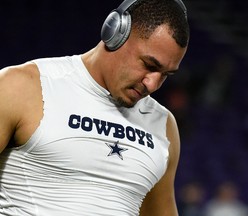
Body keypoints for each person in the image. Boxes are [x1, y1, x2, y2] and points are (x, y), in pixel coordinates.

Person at [0, 0, 190, 215]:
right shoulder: (22, 86)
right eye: (149, 65)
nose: (152, 84)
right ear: (115, 33)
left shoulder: (163, 126)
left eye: (165, 75)